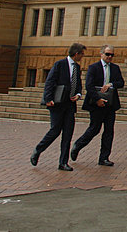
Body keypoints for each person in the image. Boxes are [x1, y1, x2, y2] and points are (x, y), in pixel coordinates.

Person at [31, 42, 86, 171]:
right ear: (76, 54)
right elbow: (50, 82)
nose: (82, 57)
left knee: (68, 133)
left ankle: (63, 162)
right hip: (57, 104)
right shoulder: (60, 65)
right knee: (55, 131)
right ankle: (38, 150)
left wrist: (78, 94)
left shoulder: (77, 68)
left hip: (70, 105)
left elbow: (78, 85)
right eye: (82, 54)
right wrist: (48, 99)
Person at [70, 44, 125, 166]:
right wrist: (97, 100)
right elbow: (89, 86)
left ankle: (104, 157)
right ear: (101, 54)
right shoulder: (93, 67)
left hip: (110, 104)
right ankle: (77, 146)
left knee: (109, 131)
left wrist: (111, 84)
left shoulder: (115, 68)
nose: (109, 57)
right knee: (94, 129)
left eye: (112, 55)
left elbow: (121, 83)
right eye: (107, 54)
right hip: (96, 104)